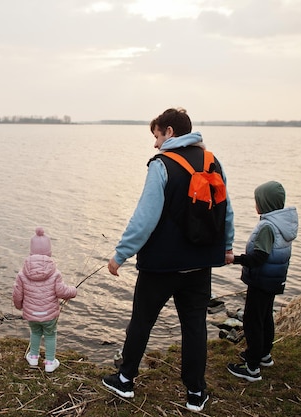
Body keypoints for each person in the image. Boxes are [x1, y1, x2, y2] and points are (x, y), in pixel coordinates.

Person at [101, 108, 235, 412]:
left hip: (161, 265)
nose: (155, 144)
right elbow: (225, 208)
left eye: (157, 136)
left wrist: (120, 254)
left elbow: (145, 219)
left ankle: (125, 380)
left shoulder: (161, 165)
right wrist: (226, 247)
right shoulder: (212, 161)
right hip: (200, 263)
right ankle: (195, 394)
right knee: (195, 326)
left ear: (170, 132)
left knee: (142, 322)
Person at [226, 181, 298, 382]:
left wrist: (235, 259)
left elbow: (259, 258)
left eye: (257, 200)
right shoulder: (283, 223)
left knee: (252, 320)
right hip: (274, 280)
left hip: (261, 280)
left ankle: (252, 367)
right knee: (265, 317)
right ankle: (264, 354)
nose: (255, 204)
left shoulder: (267, 226)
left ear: (265, 203)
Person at [12, 227, 77, 373]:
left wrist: (18, 306)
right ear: (49, 252)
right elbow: (61, 291)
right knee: (50, 335)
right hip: (49, 314)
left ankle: (33, 357)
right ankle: (49, 362)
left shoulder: (22, 273)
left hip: (32, 314)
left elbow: (17, 294)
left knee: (35, 333)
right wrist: (73, 291)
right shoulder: (54, 272)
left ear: (31, 252)